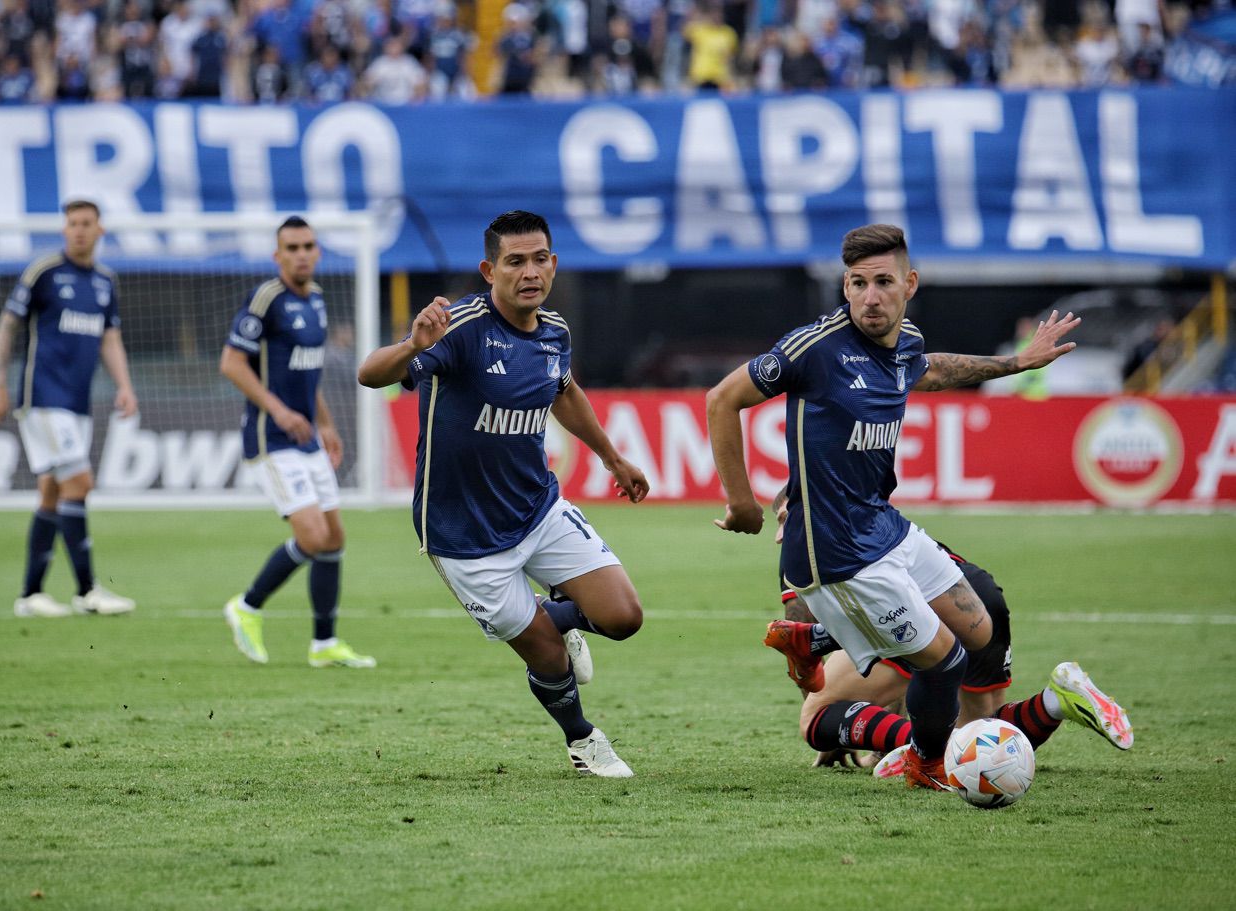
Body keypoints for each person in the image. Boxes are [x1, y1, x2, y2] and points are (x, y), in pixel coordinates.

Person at [706, 223, 1081, 789]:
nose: (869, 297)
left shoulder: (903, 344)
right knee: (947, 661)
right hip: (836, 552)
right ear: (845, 286)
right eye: (857, 283)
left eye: (883, 282)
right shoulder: (814, 348)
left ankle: (817, 639)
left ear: (910, 284)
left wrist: (1015, 364)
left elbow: (929, 368)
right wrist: (742, 504)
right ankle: (925, 765)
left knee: (979, 633)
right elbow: (722, 399)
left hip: (886, 528)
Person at [358, 210, 649, 778]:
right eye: (515, 261)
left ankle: (557, 616)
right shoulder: (460, 329)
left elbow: (563, 390)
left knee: (623, 617)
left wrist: (612, 456)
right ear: (490, 270)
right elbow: (370, 374)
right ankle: (583, 740)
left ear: (554, 263)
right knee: (546, 655)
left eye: (540, 258)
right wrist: (410, 347)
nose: (530, 271)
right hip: (462, 533)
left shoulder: (555, 331)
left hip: (536, 509)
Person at [762, 512, 1133, 774]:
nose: (780, 535)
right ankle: (1056, 701)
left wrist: (841, 732)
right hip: (977, 594)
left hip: (919, 610)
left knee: (816, 716)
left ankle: (915, 750)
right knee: (981, 734)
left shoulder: (806, 546)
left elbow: (801, 631)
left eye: (783, 519)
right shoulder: (865, 507)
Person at [220, 216, 374, 670]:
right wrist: (281, 410)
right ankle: (246, 607)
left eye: (308, 245)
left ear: (318, 252)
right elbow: (231, 363)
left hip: (307, 437)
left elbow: (309, 374)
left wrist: (323, 422)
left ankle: (324, 644)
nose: (301, 253)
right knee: (312, 534)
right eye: (292, 247)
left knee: (334, 537)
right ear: (278, 255)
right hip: (272, 437)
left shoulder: (319, 301)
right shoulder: (266, 299)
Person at [0, 199, 138, 619]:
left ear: (100, 230)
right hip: (44, 397)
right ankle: (88, 591)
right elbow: (8, 324)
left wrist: (124, 385)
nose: (79, 231)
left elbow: (110, 337)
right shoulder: (44, 273)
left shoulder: (106, 281)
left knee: (52, 492)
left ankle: (31, 595)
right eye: (72, 224)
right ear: (64, 229)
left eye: (87, 223)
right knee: (80, 483)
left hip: (78, 403)